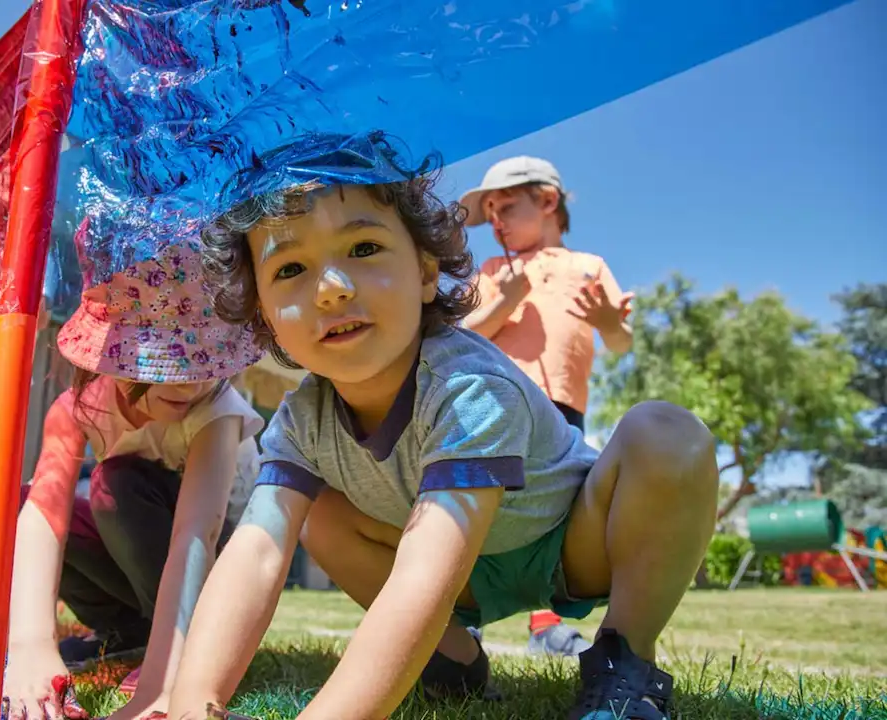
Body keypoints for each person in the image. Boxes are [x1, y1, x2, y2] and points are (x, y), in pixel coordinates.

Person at [164, 132, 719, 720]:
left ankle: (623, 661)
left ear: (427, 272)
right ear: (267, 319)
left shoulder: (467, 386)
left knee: (666, 432)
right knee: (316, 514)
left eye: (363, 249)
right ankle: (452, 659)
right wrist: (191, 704)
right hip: (459, 575)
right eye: (292, 267)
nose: (331, 290)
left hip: (570, 546)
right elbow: (253, 553)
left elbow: (424, 576)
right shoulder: (303, 418)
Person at [0, 243, 265, 720]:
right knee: (36, 503)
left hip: (216, 568)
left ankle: (170, 644)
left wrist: (168, 680)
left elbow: (197, 533)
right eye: (163, 362)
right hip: (144, 555)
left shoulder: (217, 414)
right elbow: (44, 516)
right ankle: (129, 631)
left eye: (203, 363)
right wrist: (29, 646)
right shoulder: (78, 409)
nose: (188, 384)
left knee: (116, 484)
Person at [459, 156, 634, 656]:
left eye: (506, 208)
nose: (494, 222)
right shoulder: (492, 271)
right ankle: (461, 618)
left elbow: (621, 342)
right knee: (476, 507)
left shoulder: (589, 267)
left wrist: (607, 320)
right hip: (491, 406)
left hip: (562, 412)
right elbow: (462, 336)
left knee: (557, 514)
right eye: (488, 213)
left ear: (549, 202)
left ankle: (548, 625)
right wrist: (504, 300)